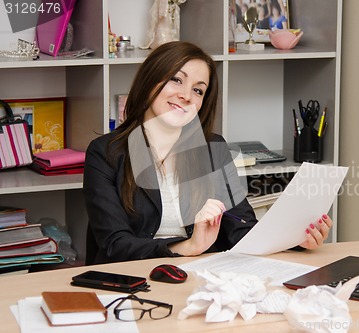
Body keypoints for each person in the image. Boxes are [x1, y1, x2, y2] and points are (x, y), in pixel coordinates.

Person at [83, 41, 332, 265]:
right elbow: (115, 244)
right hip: (133, 278)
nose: (185, 96)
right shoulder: (105, 153)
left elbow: (240, 228)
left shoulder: (213, 149)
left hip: (202, 275)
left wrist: (296, 240)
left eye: (198, 90)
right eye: (176, 80)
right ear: (151, 79)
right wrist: (188, 247)